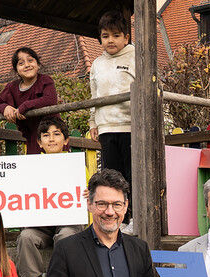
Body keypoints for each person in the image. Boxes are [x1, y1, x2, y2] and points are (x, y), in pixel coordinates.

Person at [0, 117, 84, 277]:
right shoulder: (29, 167)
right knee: (26, 237)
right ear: (39, 142)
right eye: (46, 135)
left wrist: (87, 191)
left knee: (65, 237)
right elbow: (10, 189)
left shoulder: (76, 166)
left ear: (66, 140)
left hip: (68, 222)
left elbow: (90, 191)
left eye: (57, 134)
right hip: (40, 225)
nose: (51, 139)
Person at [88, 11, 135, 233]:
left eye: (116, 35)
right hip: (107, 127)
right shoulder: (97, 63)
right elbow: (94, 95)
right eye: (105, 36)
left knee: (132, 174)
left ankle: (134, 216)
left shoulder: (136, 56)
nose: (110, 40)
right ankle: (119, 220)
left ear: (126, 37)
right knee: (113, 177)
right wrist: (93, 122)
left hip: (131, 126)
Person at [0, 47, 59, 155]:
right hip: (32, 138)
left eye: (30, 60)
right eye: (21, 63)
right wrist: (5, 108)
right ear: (16, 69)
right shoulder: (11, 87)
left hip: (53, 136)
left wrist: (26, 105)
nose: (27, 65)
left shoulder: (45, 80)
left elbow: (50, 100)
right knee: (35, 170)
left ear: (38, 64)